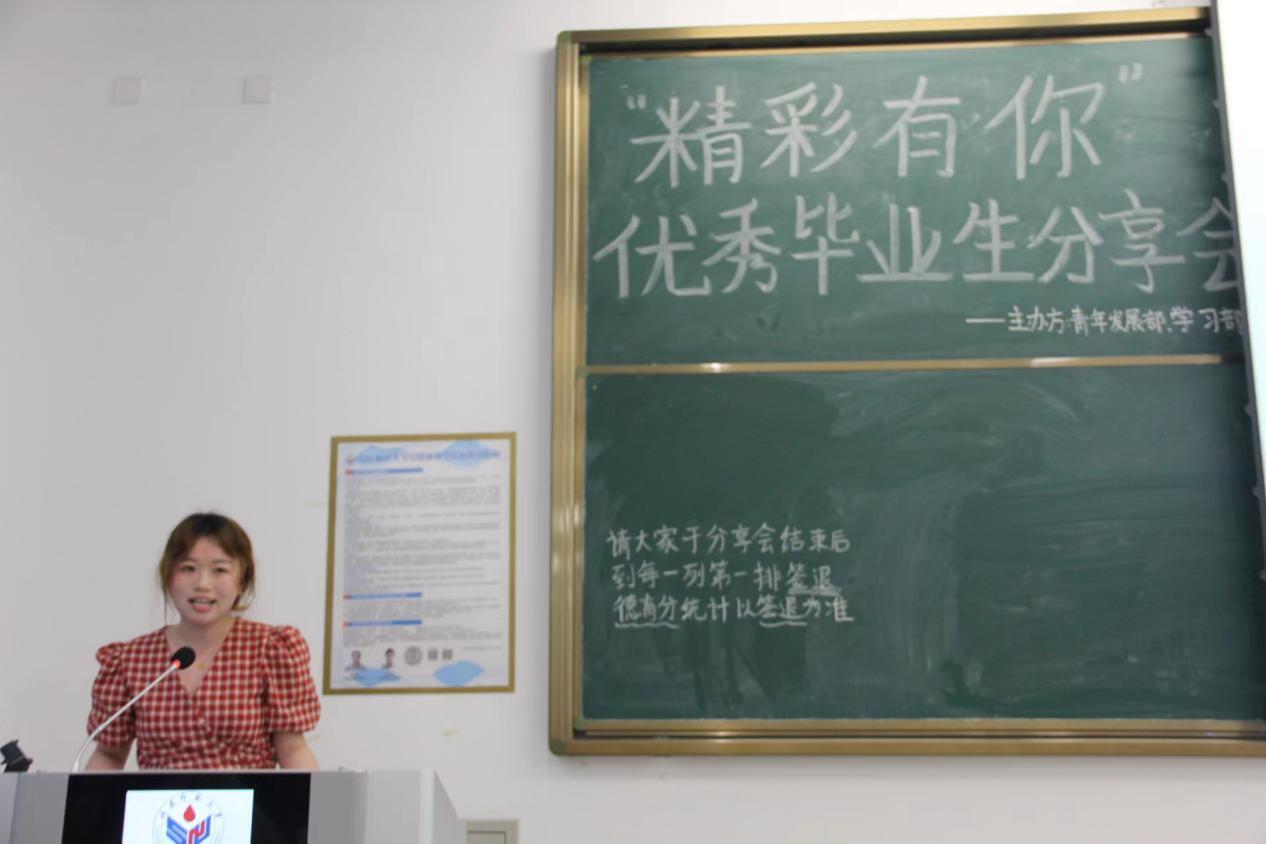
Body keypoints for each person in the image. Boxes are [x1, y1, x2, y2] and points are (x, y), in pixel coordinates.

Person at [84, 513, 320, 770]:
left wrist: (319, 796)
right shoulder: (131, 659)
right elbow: (109, 756)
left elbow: (293, 750)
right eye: (188, 568)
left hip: (250, 795)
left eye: (220, 570)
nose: (202, 584)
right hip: (160, 796)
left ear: (242, 581)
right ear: (168, 576)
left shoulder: (270, 649)